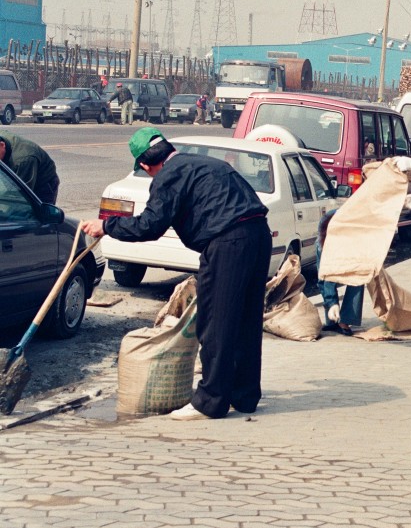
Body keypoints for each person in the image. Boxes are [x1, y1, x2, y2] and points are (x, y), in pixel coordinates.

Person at [80, 127, 271, 420]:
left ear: (145, 164)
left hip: (228, 242)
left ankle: (210, 401)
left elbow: (150, 226)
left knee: (216, 321)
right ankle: (244, 395)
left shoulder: (168, 176)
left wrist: (106, 227)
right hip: (258, 236)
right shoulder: (204, 163)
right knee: (245, 318)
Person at [316, 209, 364, 335]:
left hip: (355, 241)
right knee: (323, 278)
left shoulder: (355, 231)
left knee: (358, 277)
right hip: (331, 232)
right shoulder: (324, 243)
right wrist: (332, 303)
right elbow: (327, 276)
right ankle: (332, 320)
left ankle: (346, 319)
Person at [0, 132, 60, 204]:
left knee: (32, 210)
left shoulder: (23, 160)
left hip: (43, 183)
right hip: (17, 167)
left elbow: (19, 196)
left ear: (2, 145)